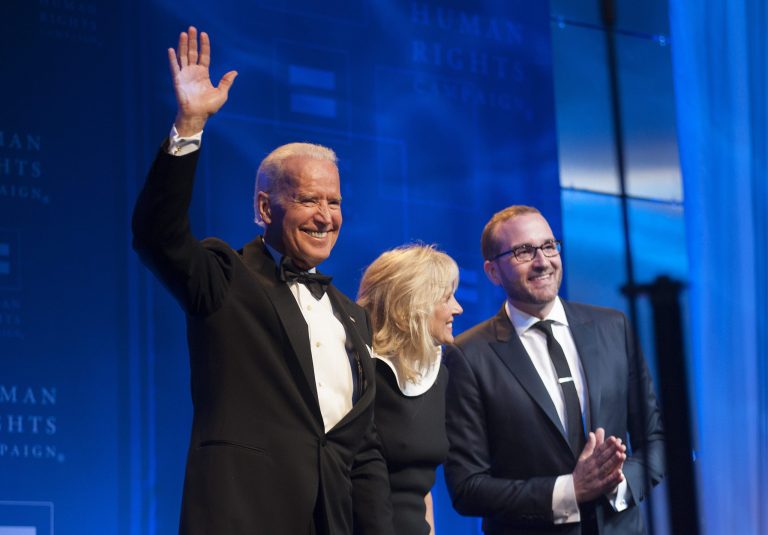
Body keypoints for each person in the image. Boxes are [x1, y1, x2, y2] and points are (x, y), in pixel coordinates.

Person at [132, 26, 393, 535]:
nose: (324, 216)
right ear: (264, 206)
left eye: (334, 202)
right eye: (308, 199)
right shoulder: (225, 277)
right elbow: (156, 235)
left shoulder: (353, 316)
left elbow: (363, 453)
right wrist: (189, 125)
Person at [444, 205, 665, 535]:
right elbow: (468, 488)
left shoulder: (613, 327)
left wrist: (617, 484)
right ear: (492, 272)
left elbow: (657, 440)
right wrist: (569, 491)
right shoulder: (467, 355)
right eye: (523, 251)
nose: (542, 261)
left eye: (549, 246)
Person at [357, 244, 463, 535]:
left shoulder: (438, 376)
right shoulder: (361, 373)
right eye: (446, 298)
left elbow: (422, 485)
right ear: (413, 305)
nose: (458, 308)